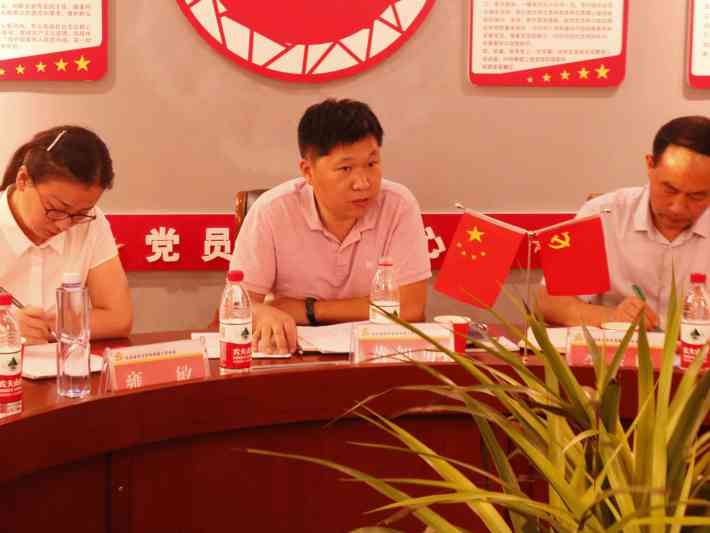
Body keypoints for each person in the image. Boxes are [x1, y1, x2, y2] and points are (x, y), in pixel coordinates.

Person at [229, 98, 431, 354]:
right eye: (345, 168)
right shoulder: (272, 211)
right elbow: (238, 305)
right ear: (308, 171)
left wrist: (309, 309)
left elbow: (411, 307)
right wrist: (262, 313)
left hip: (376, 354)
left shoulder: (398, 205)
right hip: (294, 356)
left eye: (372, 164)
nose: (363, 183)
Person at [537, 115, 710, 330]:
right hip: (616, 348)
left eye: (697, 196)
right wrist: (612, 316)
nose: (677, 207)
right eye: (669, 189)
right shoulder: (602, 215)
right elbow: (549, 302)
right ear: (650, 165)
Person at [0, 125, 132, 344]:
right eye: (55, 208)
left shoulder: (92, 223)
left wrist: (48, 325)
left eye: (80, 214)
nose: (65, 225)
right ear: (23, 179)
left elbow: (118, 318)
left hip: (62, 362)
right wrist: (7, 327)